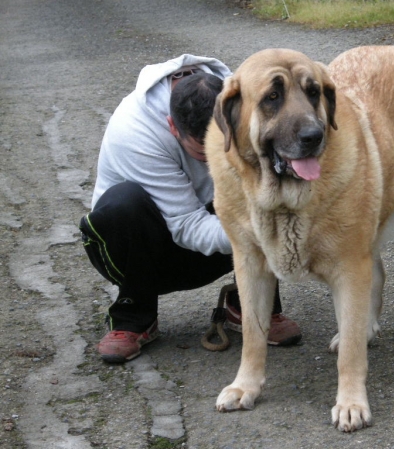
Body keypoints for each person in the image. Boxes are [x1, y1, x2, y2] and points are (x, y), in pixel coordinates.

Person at [79, 54, 302, 363]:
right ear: (173, 127)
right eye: (202, 152)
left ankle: (251, 305)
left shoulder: (245, 99)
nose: (216, 159)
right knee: (123, 204)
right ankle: (134, 315)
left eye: (224, 146)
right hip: (151, 249)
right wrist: (264, 230)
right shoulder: (134, 132)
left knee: (269, 185)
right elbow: (186, 225)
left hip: (216, 231)